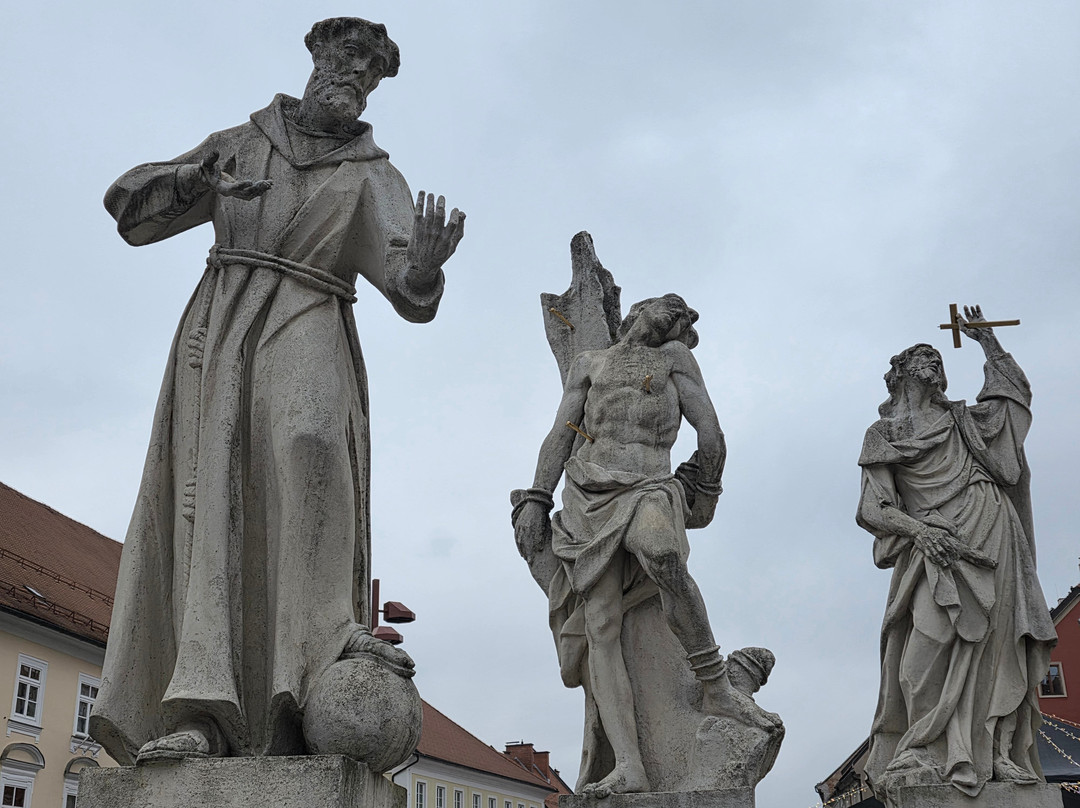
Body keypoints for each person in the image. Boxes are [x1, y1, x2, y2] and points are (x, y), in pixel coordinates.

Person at [89, 17, 464, 765]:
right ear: (317, 60)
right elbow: (129, 211)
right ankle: (201, 712)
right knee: (211, 503)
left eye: (371, 72)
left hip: (310, 315)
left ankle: (315, 663)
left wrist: (423, 268)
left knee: (311, 449)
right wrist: (201, 180)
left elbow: (405, 286)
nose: (356, 77)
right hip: (222, 332)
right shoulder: (242, 140)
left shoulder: (372, 172)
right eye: (347, 60)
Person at [514, 294, 777, 798]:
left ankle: (714, 683)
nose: (680, 319)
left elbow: (710, 429)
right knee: (601, 627)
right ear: (638, 310)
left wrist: (708, 488)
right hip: (587, 493)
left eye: (682, 320)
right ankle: (630, 764)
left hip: (650, 485)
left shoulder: (674, 359)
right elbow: (559, 437)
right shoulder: (589, 365)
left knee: (662, 554)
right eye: (673, 309)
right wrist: (535, 498)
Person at [857, 306, 1056, 799]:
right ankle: (923, 747)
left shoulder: (964, 419)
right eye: (922, 357)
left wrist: (988, 344)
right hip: (938, 545)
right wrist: (918, 530)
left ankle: (995, 750)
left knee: (998, 639)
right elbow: (873, 508)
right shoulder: (884, 434)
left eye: (938, 358)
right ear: (900, 372)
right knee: (926, 645)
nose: (934, 362)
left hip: (993, 531)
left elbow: (1012, 407)